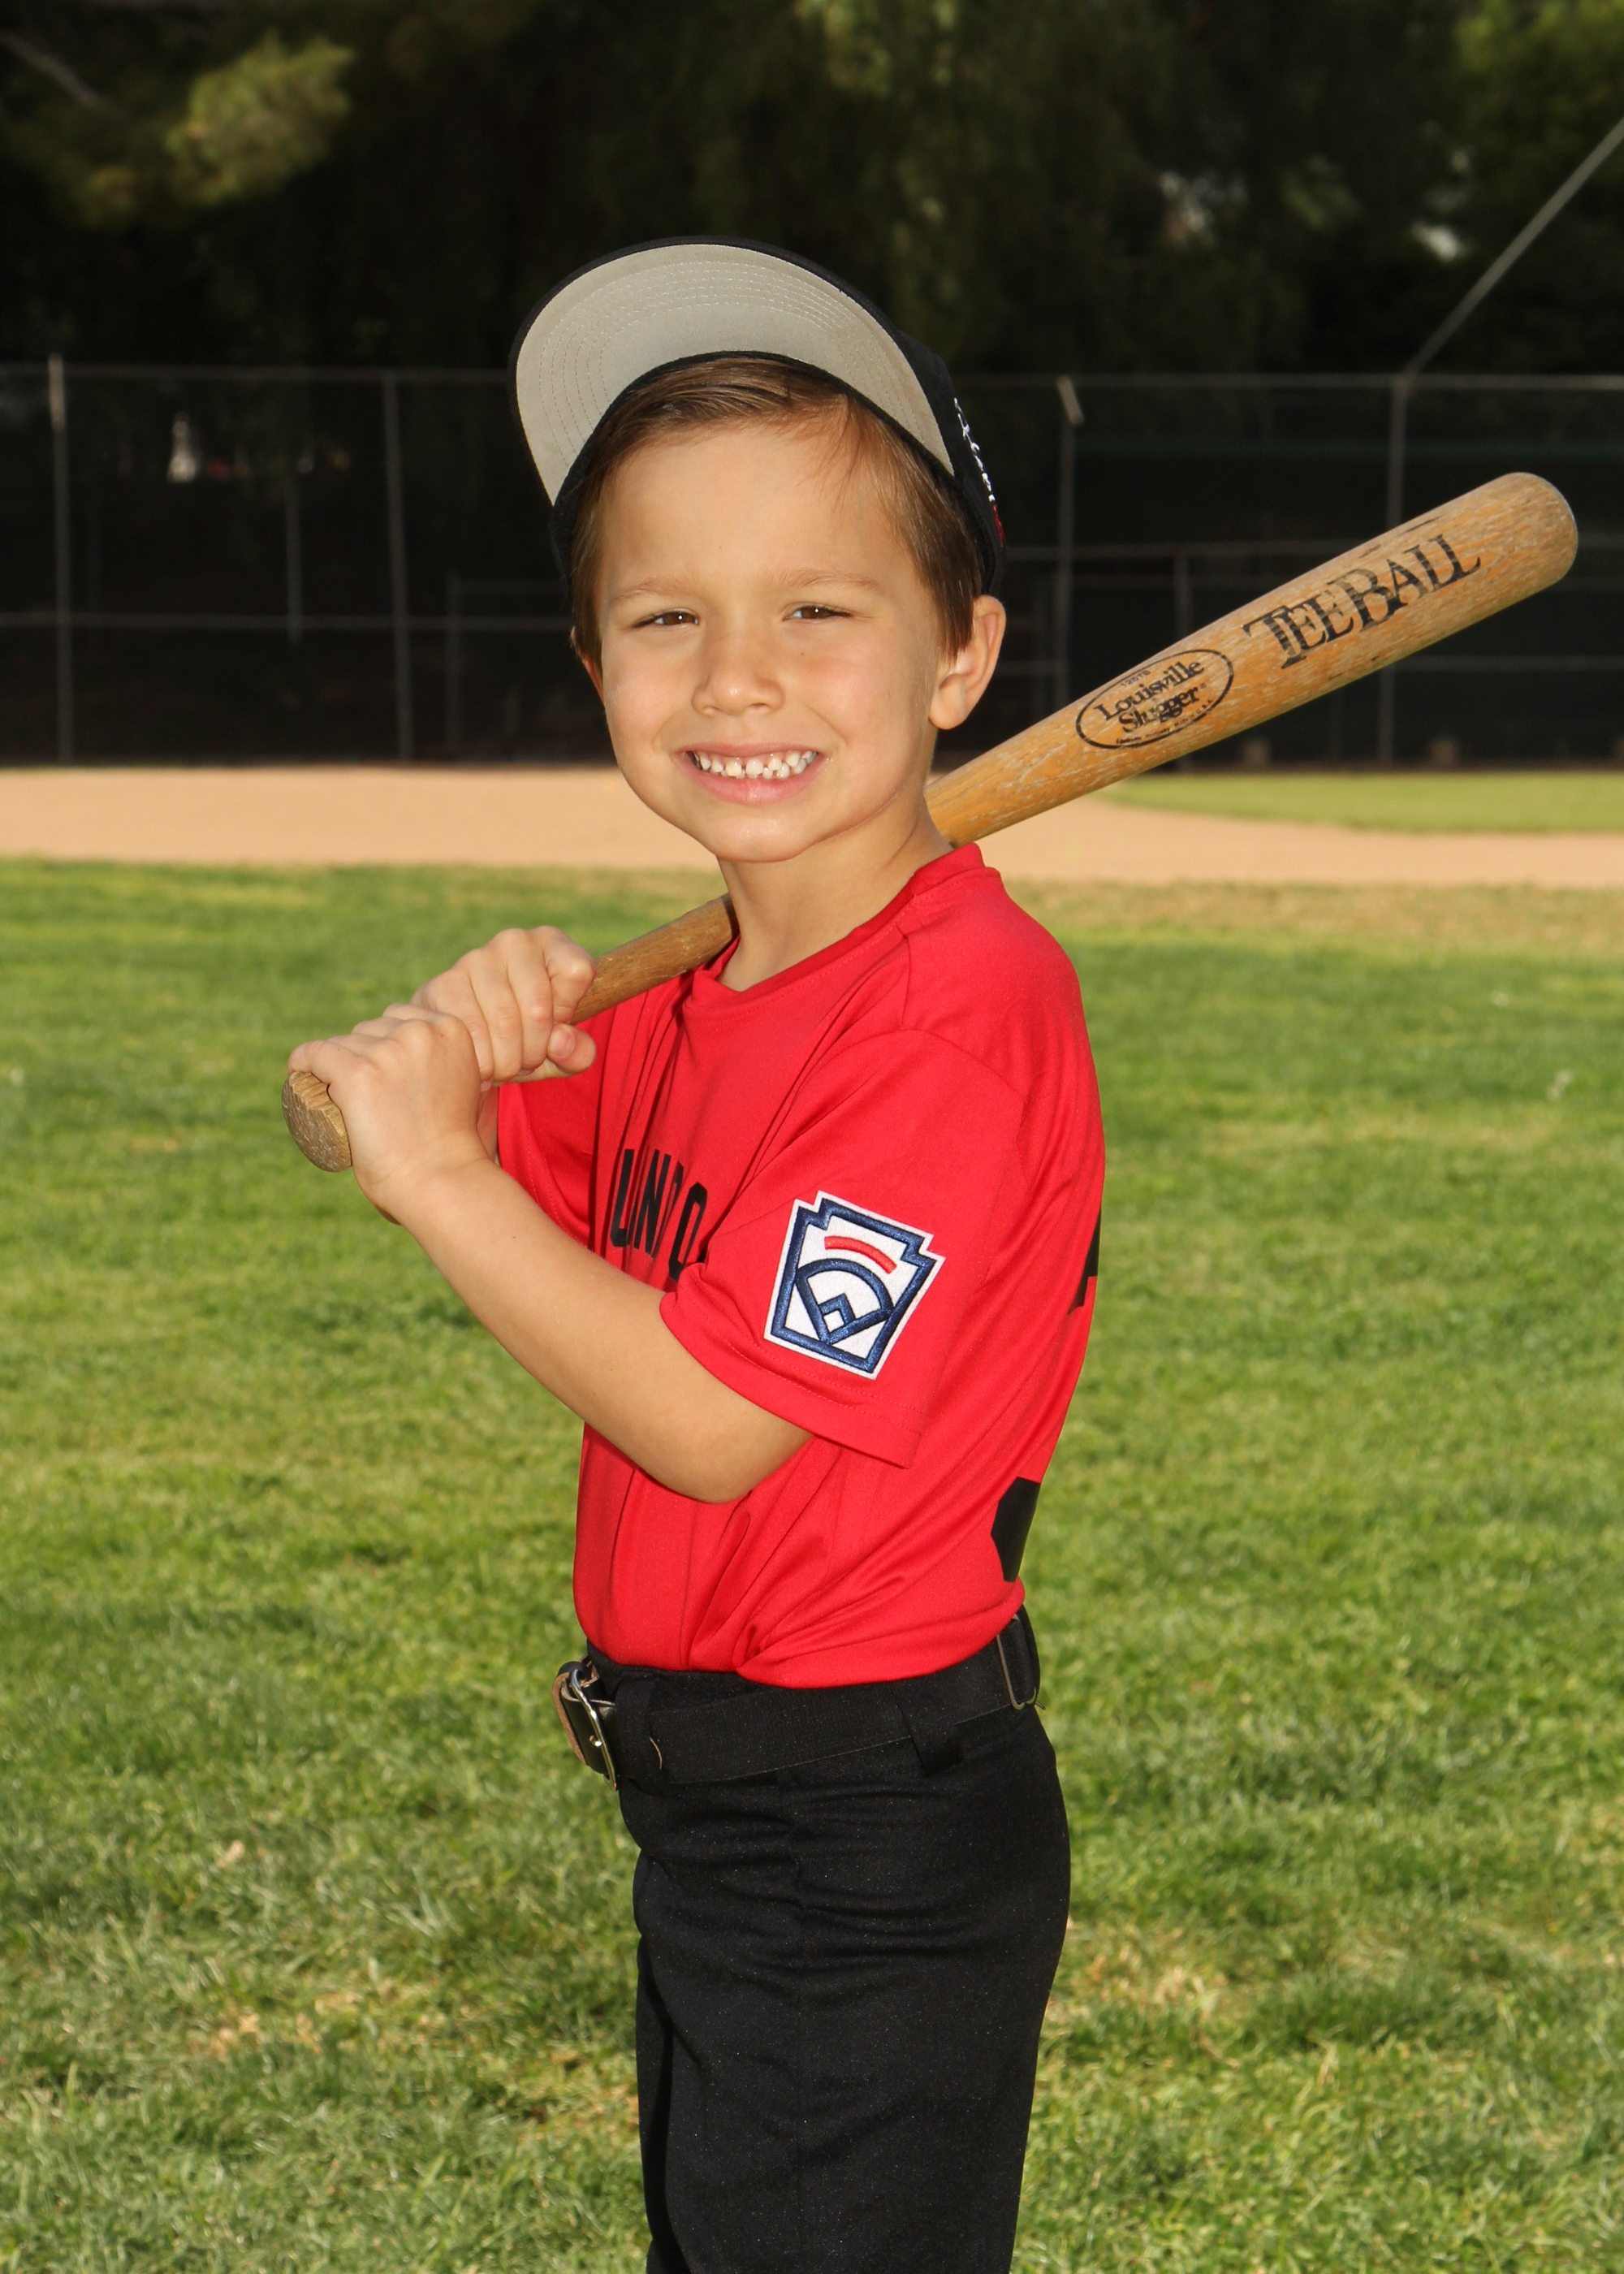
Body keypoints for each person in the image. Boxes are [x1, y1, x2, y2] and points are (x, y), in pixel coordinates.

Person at [289, 239, 1105, 2274]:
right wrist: (431, 1064)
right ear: (597, 663)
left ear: (960, 656)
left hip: (865, 1827)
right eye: (668, 615)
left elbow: (713, 1416)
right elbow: (418, 1144)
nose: (737, 676)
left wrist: (437, 1173)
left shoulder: (955, 1012)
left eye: (818, 609)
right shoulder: (683, 996)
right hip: (724, 1809)